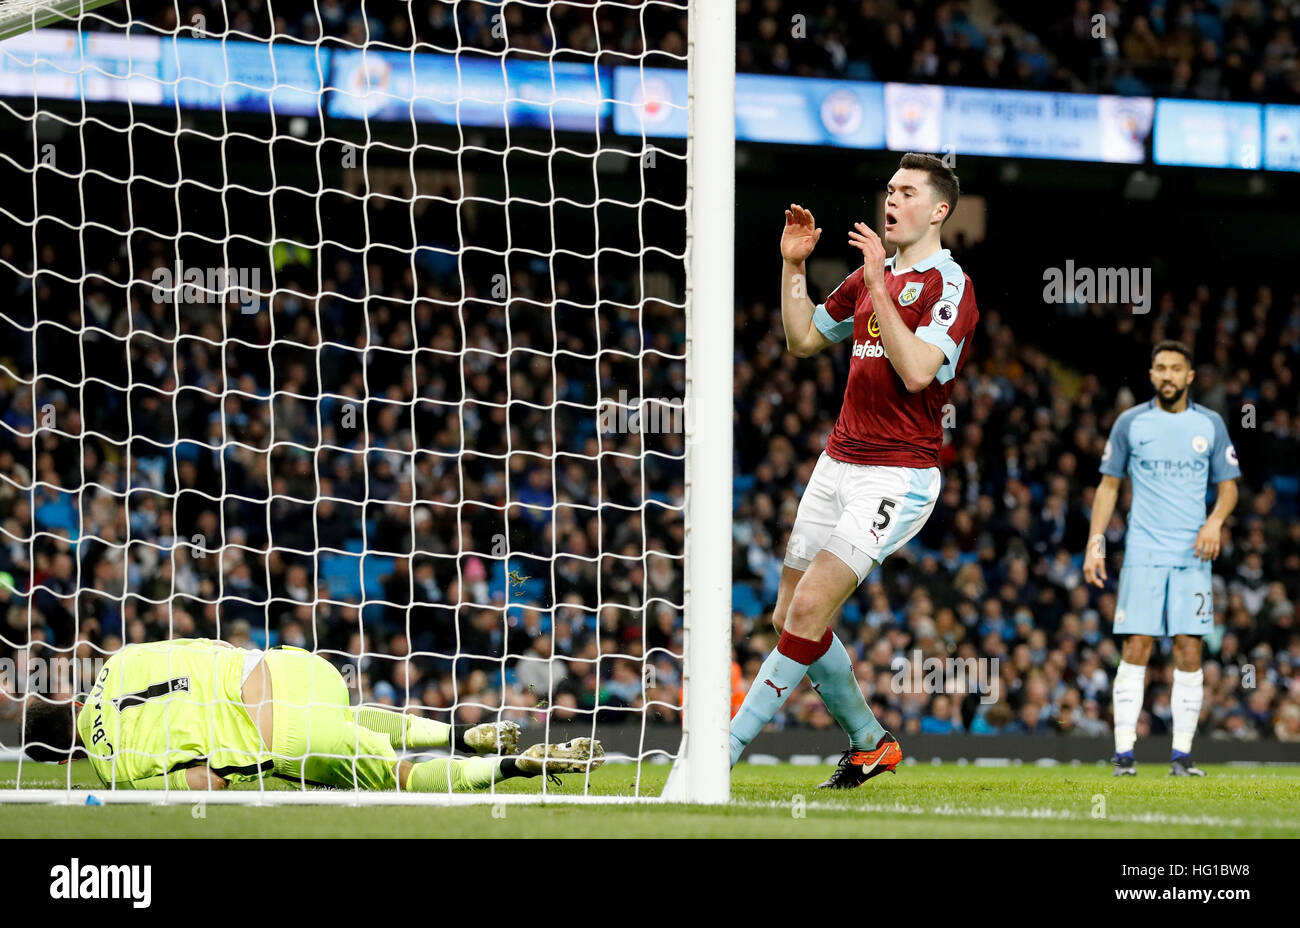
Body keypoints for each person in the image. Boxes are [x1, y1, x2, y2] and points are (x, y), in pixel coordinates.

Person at [729, 152, 979, 788]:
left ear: (939, 210)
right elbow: (804, 339)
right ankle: (870, 742)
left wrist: (876, 287)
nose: (891, 201)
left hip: (898, 473)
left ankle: (721, 749)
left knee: (811, 608)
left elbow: (920, 370)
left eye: (908, 193)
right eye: (889, 190)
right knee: (789, 620)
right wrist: (793, 267)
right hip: (837, 461)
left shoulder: (950, 285)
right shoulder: (877, 274)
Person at [22, 638, 603, 791]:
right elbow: (218, 650)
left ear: (67, 754)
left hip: (279, 734)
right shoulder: (123, 658)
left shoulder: (109, 770)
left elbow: (208, 779)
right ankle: (457, 730)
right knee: (354, 714)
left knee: (398, 777)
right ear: (67, 700)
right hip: (291, 669)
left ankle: (513, 769)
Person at [1084, 340, 1239, 776]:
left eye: (1175, 369)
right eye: (1160, 368)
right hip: (1143, 554)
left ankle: (1183, 757)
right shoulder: (1130, 423)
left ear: (1190, 377)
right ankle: (1124, 756)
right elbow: (1109, 485)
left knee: (1189, 649)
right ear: (1151, 375)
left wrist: (1215, 523)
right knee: (1137, 646)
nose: (1167, 375)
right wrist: (1096, 541)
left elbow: (1229, 489)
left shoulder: (1210, 425)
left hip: (1193, 556)